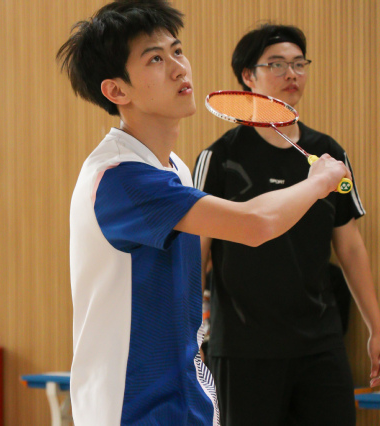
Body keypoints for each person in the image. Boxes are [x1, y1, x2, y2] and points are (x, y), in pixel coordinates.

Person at [57, 2, 351, 424]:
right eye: (155, 59)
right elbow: (254, 224)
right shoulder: (121, 178)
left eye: (177, 51)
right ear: (117, 91)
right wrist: (318, 181)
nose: (180, 68)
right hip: (129, 407)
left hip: (187, 397)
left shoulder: (174, 167)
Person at [192, 23, 380, 426]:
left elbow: (350, 246)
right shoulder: (219, 158)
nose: (292, 74)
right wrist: (189, 335)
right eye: (277, 64)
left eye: (299, 64)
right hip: (243, 348)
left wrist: (377, 328)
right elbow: (196, 254)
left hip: (320, 344)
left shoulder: (329, 155)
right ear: (248, 76)